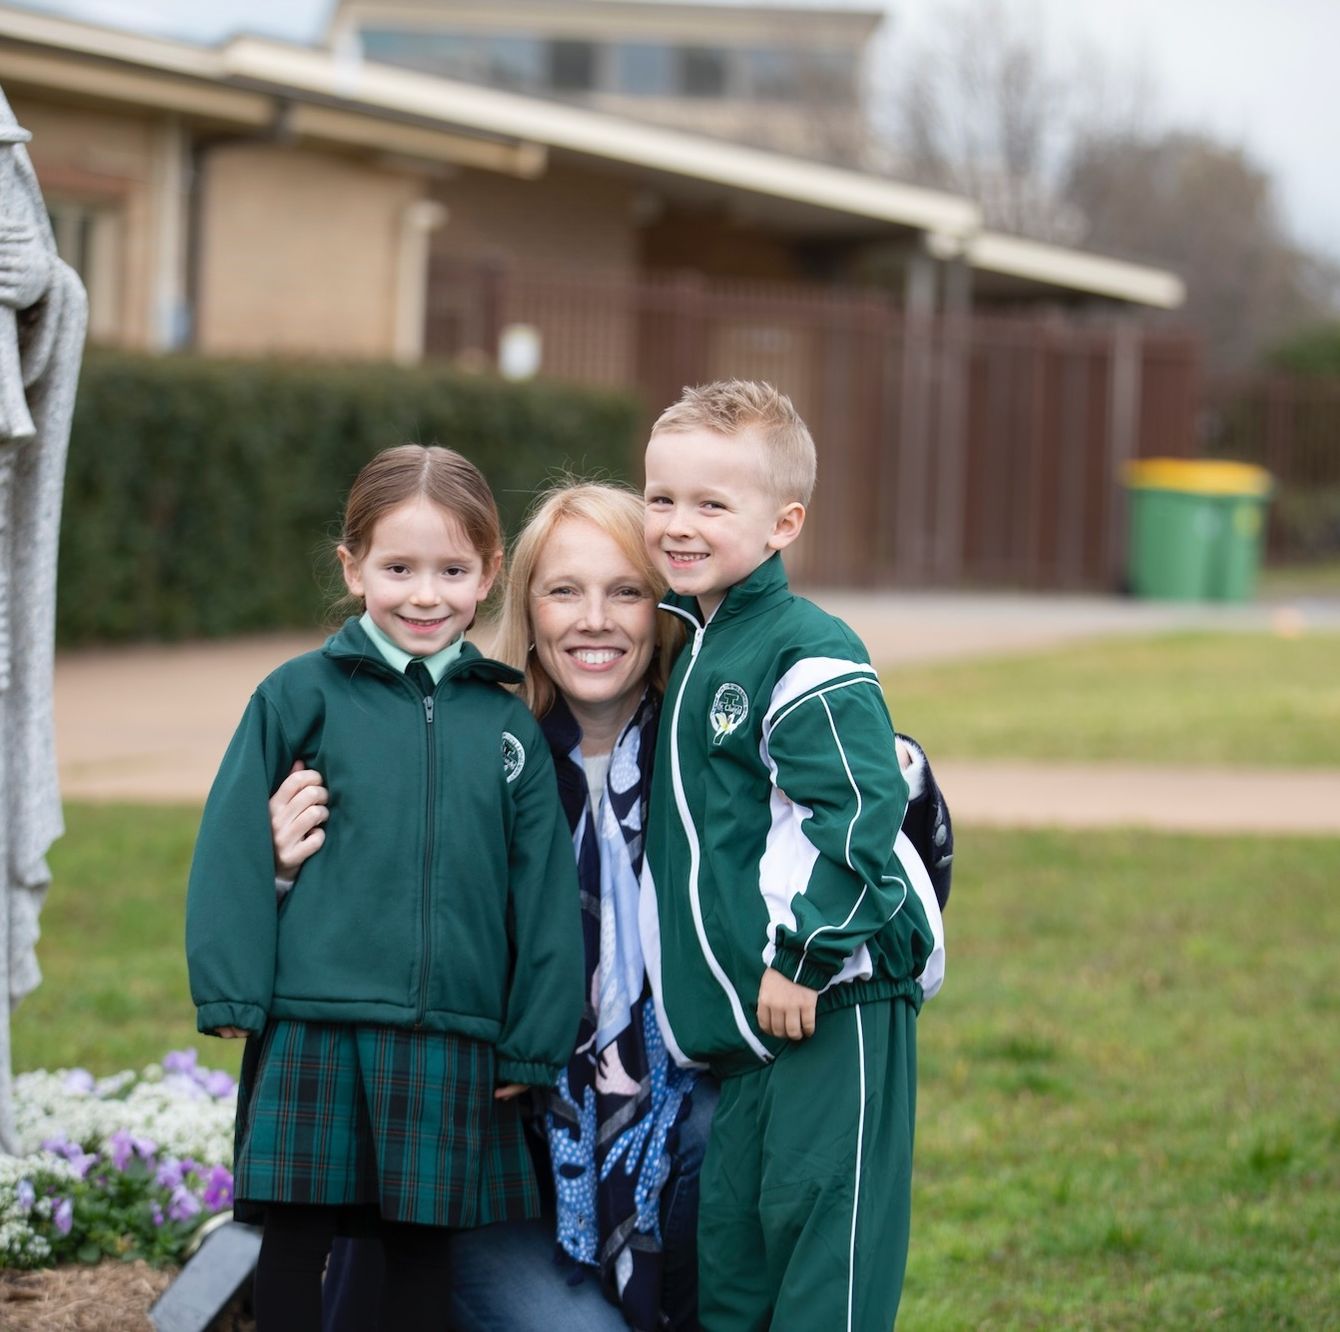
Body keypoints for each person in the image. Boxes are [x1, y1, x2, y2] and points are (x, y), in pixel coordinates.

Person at [270, 477, 954, 1330]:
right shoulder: (471, 746)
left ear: (666, 605)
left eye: (625, 591)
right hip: (502, 1158)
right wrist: (287, 874)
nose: (593, 620)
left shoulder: (722, 758)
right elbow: (356, 937)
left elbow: (870, 835)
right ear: (526, 607)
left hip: (683, 1123)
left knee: (736, 1145)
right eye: (564, 591)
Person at [185, 445, 584, 1332]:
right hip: (314, 1026)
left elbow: (546, 895)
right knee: (293, 1242)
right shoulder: (298, 697)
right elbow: (231, 847)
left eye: (451, 570)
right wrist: (231, 987)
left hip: (453, 1040)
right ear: (352, 565)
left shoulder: (505, 724)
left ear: (488, 571)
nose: (424, 594)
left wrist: (532, 1040)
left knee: (420, 1250)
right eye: (397, 568)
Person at [640, 380, 946, 1332]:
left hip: (830, 1001)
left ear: (783, 523)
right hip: (749, 1036)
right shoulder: (691, 644)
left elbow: (857, 810)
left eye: (711, 504)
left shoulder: (803, 647)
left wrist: (805, 956)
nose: (678, 525)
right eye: (660, 499)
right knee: (736, 1269)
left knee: (827, 1266)